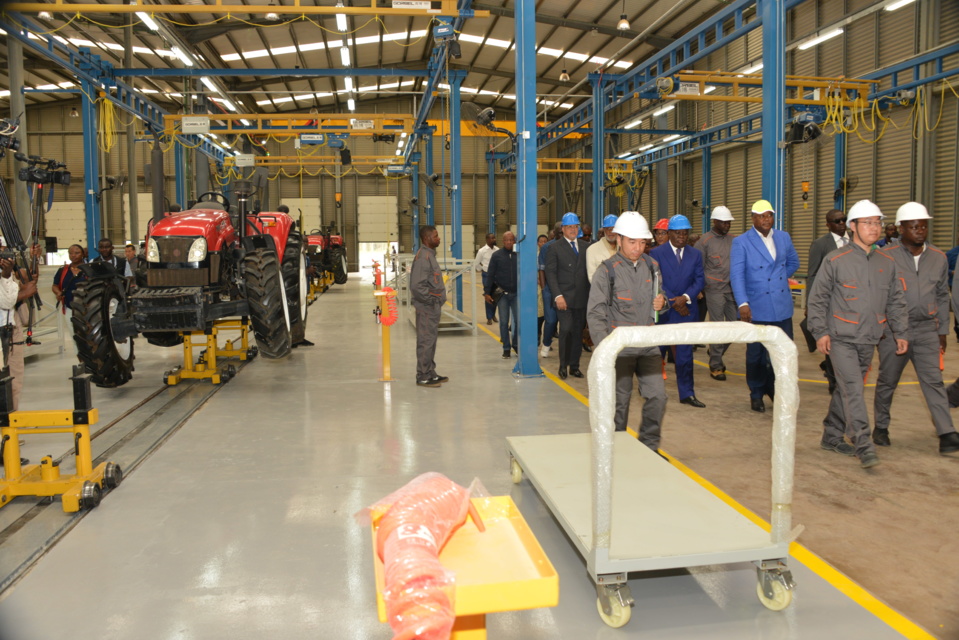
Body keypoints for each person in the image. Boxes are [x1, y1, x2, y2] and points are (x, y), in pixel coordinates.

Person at [807, 199, 908, 469]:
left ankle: (831, 436)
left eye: (877, 223)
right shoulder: (835, 260)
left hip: (870, 337)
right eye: (868, 223)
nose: (875, 228)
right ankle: (863, 444)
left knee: (846, 389)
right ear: (853, 226)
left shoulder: (886, 262)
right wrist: (820, 331)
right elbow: (817, 300)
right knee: (853, 389)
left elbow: (896, 300)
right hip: (840, 338)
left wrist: (900, 331)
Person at [873, 202, 959, 456]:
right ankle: (881, 427)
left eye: (923, 225)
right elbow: (877, 296)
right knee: (888, 381)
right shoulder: (885, 257)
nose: (920, 230)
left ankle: (946, 433)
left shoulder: (938, 258)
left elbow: (943, 296)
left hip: (927, 331)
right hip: (894, 330)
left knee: (933, 381)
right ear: (901, 229)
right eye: (914, 226)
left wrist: (942, 330)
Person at [587, 212, 668, 450]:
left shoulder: (652, 267)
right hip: (619, 349)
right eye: (632, 242)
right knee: (619, 402)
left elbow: (659, 303)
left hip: (648, 345)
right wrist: (605, 350)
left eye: (642, 242)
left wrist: (663, 304)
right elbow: (595, 313)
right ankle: (616, 450)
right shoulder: (607, 271)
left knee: (658, 396)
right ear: (619, 240)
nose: (637, 248)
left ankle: (649, 447)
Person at [730, 200, 800, 413]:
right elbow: (737, 275)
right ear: (753, 218)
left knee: (783, 352)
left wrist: (778, 279)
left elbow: (793, 262)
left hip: (781, 306)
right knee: (756, 355)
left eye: (769, 215)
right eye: (761, 216)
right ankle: (757, 392)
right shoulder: (742, 242)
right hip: (755, 306)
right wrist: (743, 303)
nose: (766, 219)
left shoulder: (783, 237)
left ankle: (778, 391)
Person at [650, 214, 706, 408]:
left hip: (686, 312)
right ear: (669, 233)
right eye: (678, 233)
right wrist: (674, 301)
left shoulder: (695, 254)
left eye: (685, 233)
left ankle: (687, 393)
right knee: (657, 354)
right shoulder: (656, 253)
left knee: (684, 356)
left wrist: (686, 298)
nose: (682, 236)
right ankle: (652, 392)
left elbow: (699, 280)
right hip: (665, 311)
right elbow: (657, 281)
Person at [804, 209, 850, 393]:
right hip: (830, 302)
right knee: (832, 342)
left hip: (852, 303)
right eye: (837, 221)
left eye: (844, 220)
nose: (841, 224)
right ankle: (833, 380)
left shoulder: (855, 241)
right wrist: (811, 303)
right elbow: (813, 274)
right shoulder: (820, 244)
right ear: (828, 224)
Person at [545, 212, 590, 380]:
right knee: (565, 330)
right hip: (563, 299)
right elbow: (550, 274)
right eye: (569, 226)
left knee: (578, 333)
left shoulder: (586, 247)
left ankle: (575, 366)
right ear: (562, 229)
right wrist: (557, 296)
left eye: (575, 226)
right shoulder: (554, 248)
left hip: (581, 298)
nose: (573, 229)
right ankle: (563, 366)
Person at [697, 205, 737, 380]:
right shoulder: (704, 242)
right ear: (714, 221)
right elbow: (698, 268)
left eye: (729, 222)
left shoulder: (734, 240)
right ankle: (716, 365)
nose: (727, 225)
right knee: (718, 325)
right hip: (713, 290)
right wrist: (700, 288)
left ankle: (715, 350)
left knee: (736, 325)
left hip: (732, 289)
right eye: (723, 222)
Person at [410, 226, 449, 387]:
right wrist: (431, 301)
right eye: (436, 236)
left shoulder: (429, 256)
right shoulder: (423, 258)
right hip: (427, 307)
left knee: (430, 340)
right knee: (426, 341)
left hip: (431, 307)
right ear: (427, 239)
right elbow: (417, 286)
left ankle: (430, 372)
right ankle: (423, 375)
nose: (439, 238)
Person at [484, 232, 518, 358]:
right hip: (503, 295)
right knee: (504, 322)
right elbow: (490, 275)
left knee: (519, 322)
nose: (509, 242)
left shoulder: (519, 255)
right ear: (503, 241)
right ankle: (506, 348)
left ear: (514, 241)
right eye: (506, 240)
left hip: (516, 294)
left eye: (511, 240)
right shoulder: (496, 255)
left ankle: (516, 344)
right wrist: (487, 292)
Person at [538, 222, 563, 358]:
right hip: (549, 289)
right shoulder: (547, 247)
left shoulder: (570, 246)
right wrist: (543, 289)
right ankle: (546, 344)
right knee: (551, 320)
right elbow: (541, 269)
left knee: (565, 322)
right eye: (558, 233)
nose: (560, 235)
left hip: (566, 289)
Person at [52, 244, 87, 317]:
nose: (73, 255)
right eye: (71, 253)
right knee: (71, 327)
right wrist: (58, 292)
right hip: (69, 307)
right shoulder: (63, 270)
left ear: (83, 254)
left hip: (87, 307)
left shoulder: (89, 269)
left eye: (77, 253)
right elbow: (55, 285)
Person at [586, 214, 619, 283]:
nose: (611, 232)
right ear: (604, 230)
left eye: (613, 229)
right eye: (608, 229)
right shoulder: (592, 250)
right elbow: (592, 278)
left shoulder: (624, 248)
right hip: (603, 292)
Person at [474, 233, 498, 325]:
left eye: (494, 238)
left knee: (496, 295)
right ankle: (489, 317)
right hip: (487, 275)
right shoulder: (482, 251)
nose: (493, 239)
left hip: (496, 275)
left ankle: (493, 315)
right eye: (491, 238)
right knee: (488, 295)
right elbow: (476, 263)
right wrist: (483, 269)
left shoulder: (497, 250)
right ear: (487, 240)